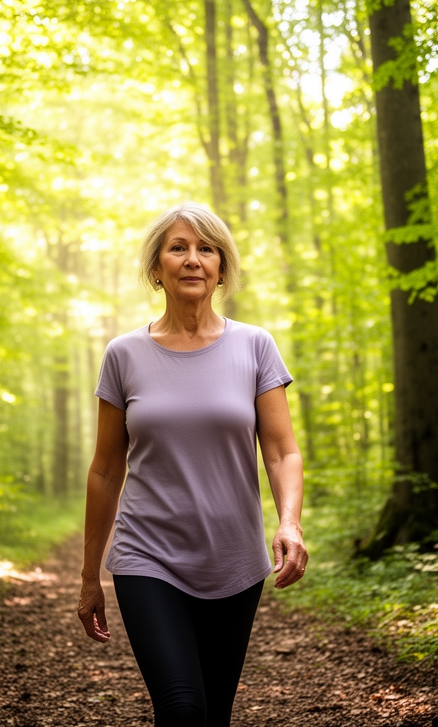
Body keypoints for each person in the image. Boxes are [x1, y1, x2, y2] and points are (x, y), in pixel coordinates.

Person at [77, 202, 308, 727]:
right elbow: (106, 469)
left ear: (222, 267)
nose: (193, 259)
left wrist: (289, 522)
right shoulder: (124, 355)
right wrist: (90, 575)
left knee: (214, 716)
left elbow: (281, 450)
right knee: (183, 708)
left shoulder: (255, 346)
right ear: (155, 267)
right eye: (178, 247)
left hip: (234, 562)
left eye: (207, 249)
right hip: (147, 556)